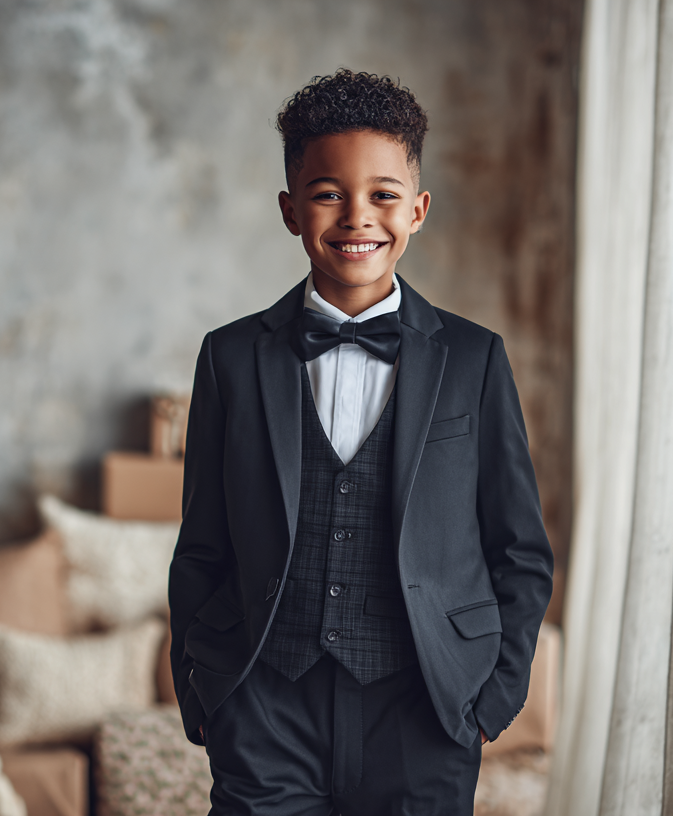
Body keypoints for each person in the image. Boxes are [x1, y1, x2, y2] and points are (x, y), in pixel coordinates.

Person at [166, 69, 554, 815]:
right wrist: (205, 689)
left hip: (425, 712)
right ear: (289, 210)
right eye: (327, 193)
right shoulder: (230, 357)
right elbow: (203, 545)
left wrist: (489, 700)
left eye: (382, 194)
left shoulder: (474, 359)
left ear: (417, 210)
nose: (356, 217)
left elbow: (519, 551)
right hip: (266, 706)